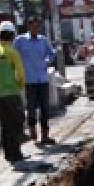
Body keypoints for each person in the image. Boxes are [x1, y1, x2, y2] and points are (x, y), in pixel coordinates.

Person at [0, 20, 27, 165]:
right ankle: (16, 153)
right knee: (17, 123)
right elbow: (21, 74)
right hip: (12, 94)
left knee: (5, 125)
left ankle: (8, 154)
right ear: (12, 35)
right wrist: (19, 86)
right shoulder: (12, 52)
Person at [13, 15, 57, 145]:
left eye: (38, 27)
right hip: (29, 80)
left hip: (42, 79)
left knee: (45, 108)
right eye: (34, 26)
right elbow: (13, 55)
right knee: (31, 107)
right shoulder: (20, 40)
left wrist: (48, 61)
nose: (36, 29)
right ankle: (32, 131)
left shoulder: (43, 40)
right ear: (29, 26)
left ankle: (45, 135)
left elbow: (51, 54)